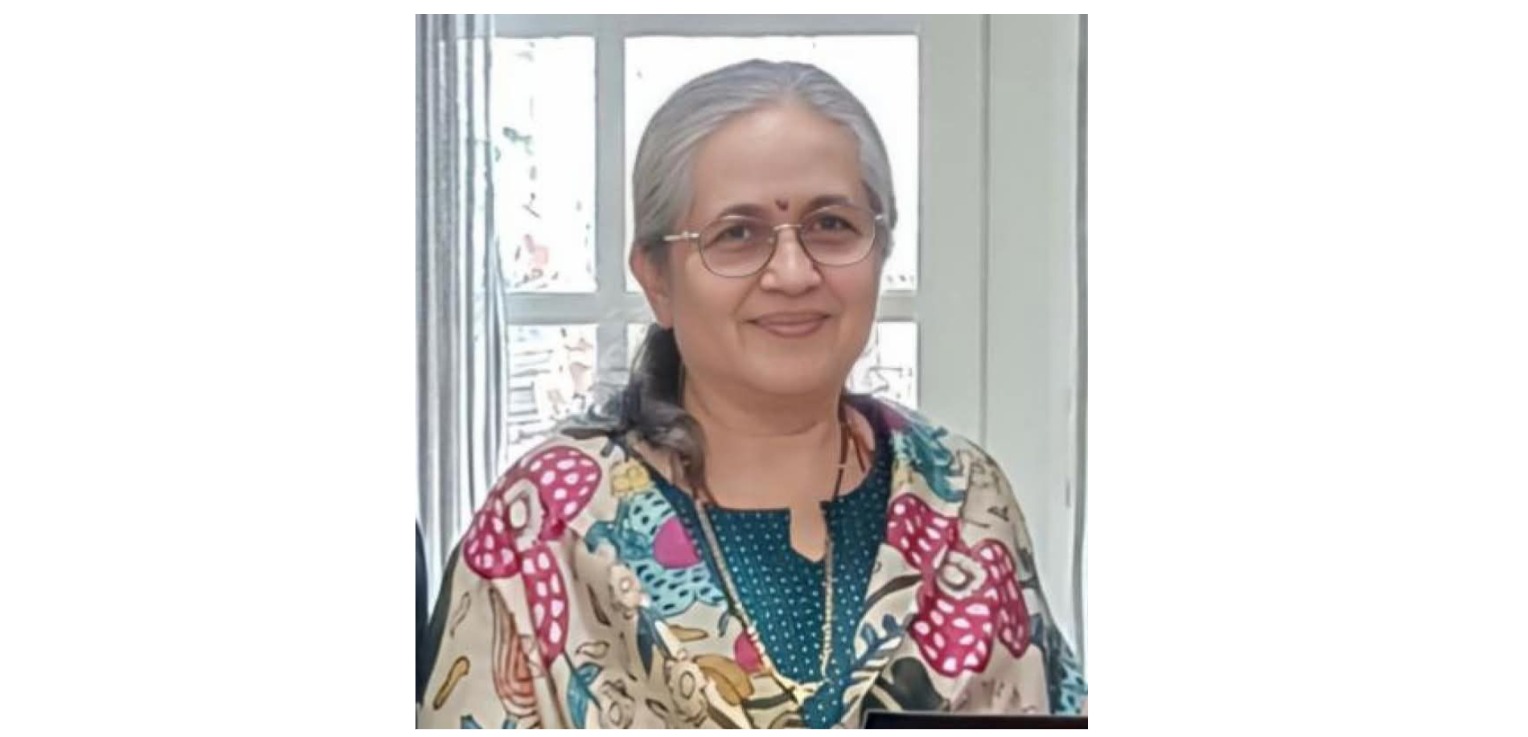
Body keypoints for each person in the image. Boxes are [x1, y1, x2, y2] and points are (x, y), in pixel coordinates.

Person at [418, 59, 1087, 729]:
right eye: (736, 234)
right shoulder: (546, 526)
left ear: (880, 249)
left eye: (832, 225)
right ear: (656, 278)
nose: (793, 273)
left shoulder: (964, 497)